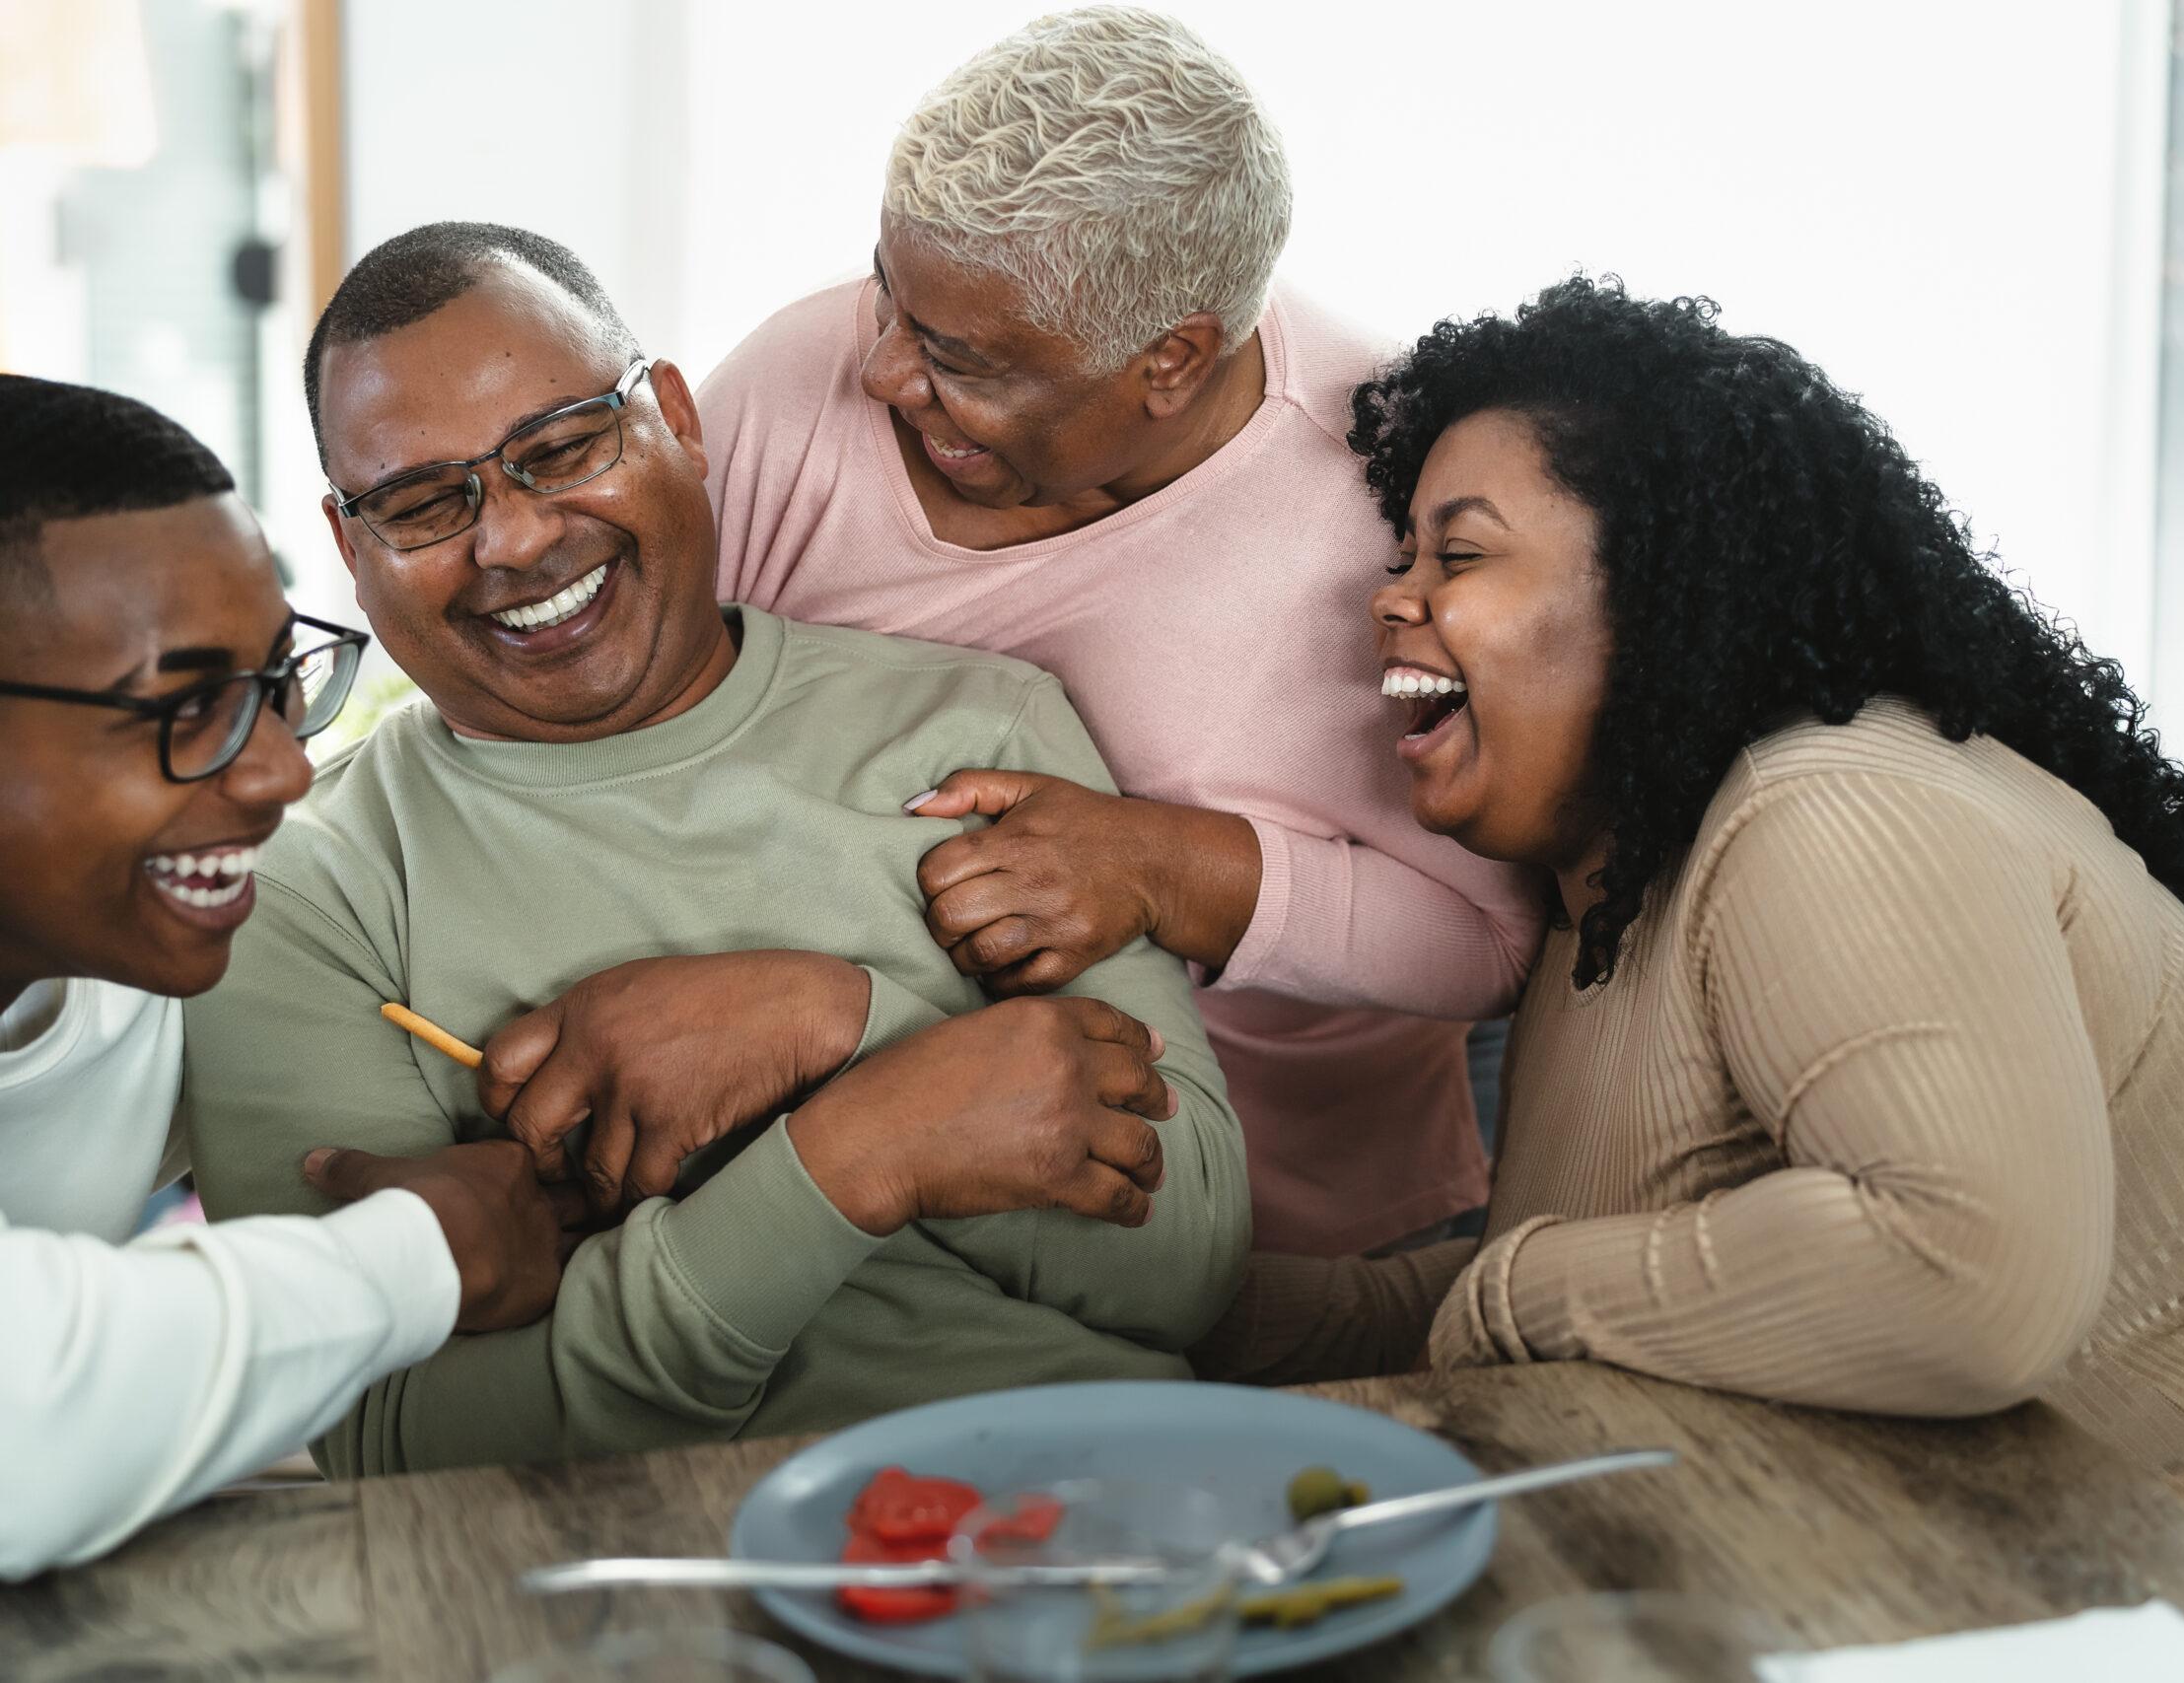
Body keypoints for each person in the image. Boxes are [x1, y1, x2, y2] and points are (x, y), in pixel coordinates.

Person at [1195, 279, 2184, 1680]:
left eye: (1457, 554)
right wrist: (1201, 1313)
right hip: (2151, 1540)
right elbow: (1636, 1280)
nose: (1391, 594)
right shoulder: (1621, 885)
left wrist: (1512, 1288)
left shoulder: (1823, 811)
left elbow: (1965, 1273)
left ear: (1656, 586)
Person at [182, 222, 1248, 1478]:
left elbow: (1185, 1265)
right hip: (614, 1588)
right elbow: (395, 1437)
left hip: (1095, 1522)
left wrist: (832, 1020)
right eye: (422, 503)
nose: (514, 540)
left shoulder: (979, 726)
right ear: (351, 547)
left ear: (677, 423)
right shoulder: (306, 892)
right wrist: (857, 1152)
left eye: (564, 447)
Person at [701, 6, 1540, 1257]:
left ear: (1172, 360)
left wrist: (1162, 869)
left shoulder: (1401, 499)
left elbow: (1489, 940)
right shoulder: (793, 382)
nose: (878, 369)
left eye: (956, 355)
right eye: (888, 291)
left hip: (1284, 1209)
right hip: (870, 1181)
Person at [0, 375, 572, 1578]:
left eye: (277, 686)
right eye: (189, 704)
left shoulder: (138, 951)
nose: (277, 775)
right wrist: (429, 1250)